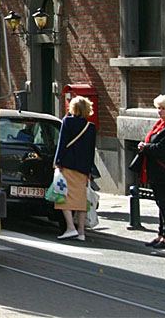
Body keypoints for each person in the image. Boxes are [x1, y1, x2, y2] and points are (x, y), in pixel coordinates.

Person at [54, 96, 98, 241]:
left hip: (67, 165)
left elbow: (62, 143)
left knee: (62, 197)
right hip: (83, 168)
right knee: (80, 199)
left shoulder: (67, 122)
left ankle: (70, 227)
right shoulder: (91, 127)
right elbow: (91, 151)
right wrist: (90, 170)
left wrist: (57, 161)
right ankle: (81, 233)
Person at [137, 94, 165, 249]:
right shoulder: (160, 124)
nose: (160, 111)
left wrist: (145, 147)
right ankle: (161, 234)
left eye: (163, 108)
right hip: (156, 172)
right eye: (158, 108)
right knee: (161, 204)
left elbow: (163, 149)